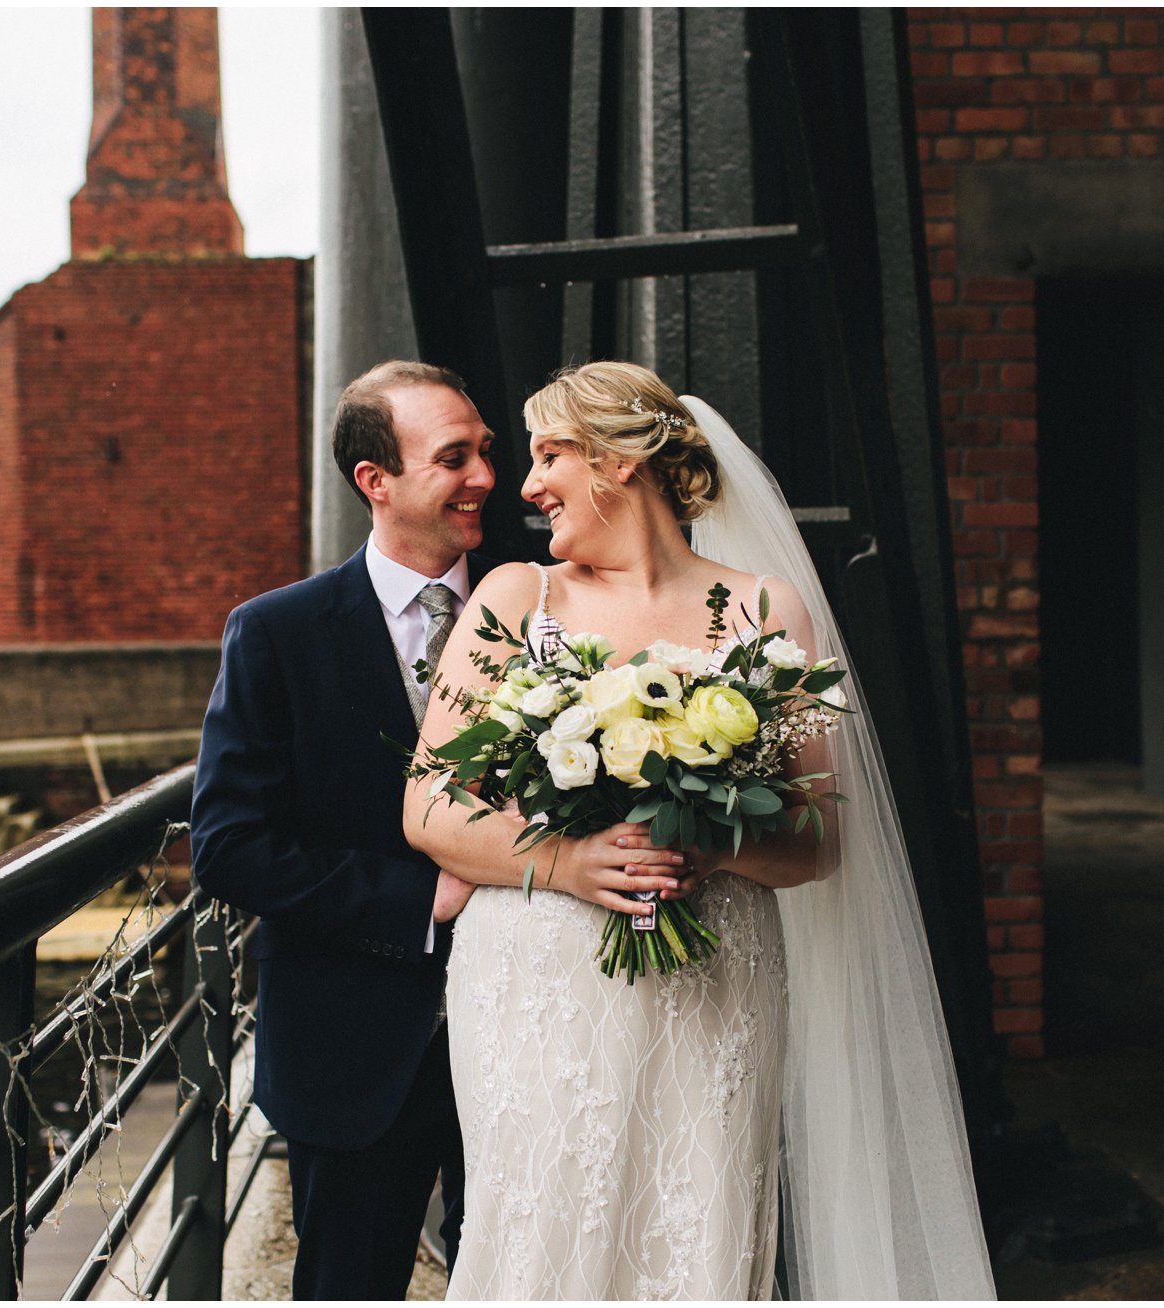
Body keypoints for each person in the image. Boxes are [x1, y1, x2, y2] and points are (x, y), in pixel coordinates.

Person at [404, 361, 996, 1300]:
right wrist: (568, 858)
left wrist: (709, 843)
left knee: (703, 1228)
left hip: (716, 979)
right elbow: (430, 805)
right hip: (539, 982)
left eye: (549, 453)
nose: (526, 485)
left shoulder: (764, 613)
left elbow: (815, 842)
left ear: (619, 462)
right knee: (543, 1227)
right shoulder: (519, 599)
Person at [189, 360, 499, 1299]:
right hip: (355, 1050)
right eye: (454, 457)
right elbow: (229, 846)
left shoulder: (553, 612)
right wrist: (421, 898)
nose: (487, 475)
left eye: (486, 449)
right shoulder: (277, 634)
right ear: (377, 481)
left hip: (530, 1032)